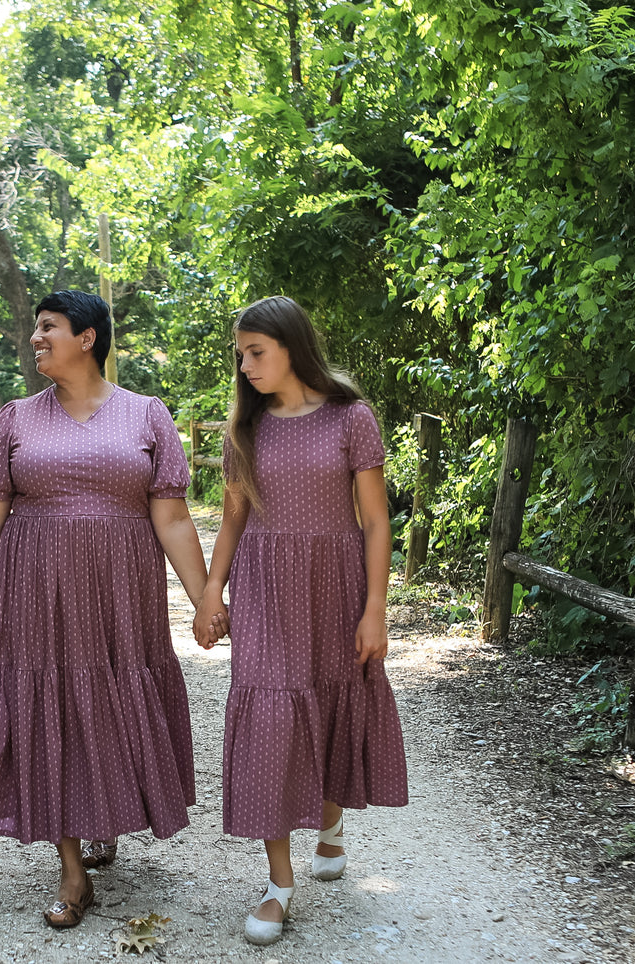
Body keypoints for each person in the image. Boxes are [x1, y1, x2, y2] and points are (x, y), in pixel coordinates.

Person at [0, 290, 210, 929]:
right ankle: (72, 871)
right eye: (35, 329)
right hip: (35, 591)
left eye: (48, 328)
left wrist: (204, 601)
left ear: (88, 338)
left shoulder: (146, 415)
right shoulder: (16, 419)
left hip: (121, 595)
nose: (36, 339)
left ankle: (102, 811)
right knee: (49, 703)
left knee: (106, 696)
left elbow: (171, 516)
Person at [194, 295, 409, 945]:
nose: (246, 364)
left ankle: (330, 820)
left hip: (334, 584)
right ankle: (277, 884)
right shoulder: (246, 429)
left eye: (256, 351)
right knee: (269, 720)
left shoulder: (351, 418)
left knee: (327, 704)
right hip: (263, 589)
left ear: (292, 347)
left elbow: (375, 520)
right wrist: (210, 593)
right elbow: (232, 518)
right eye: (240, 354)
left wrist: (375, 609)